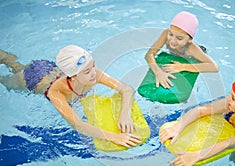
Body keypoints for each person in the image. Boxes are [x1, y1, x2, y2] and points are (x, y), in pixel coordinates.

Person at [0, 46, 141, 148]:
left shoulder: (90, 72)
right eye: (87, 71)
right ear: (73, 77)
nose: (94, 73)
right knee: (6, 79)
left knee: (16, 65)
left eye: (93, 66)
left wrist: (125, 115)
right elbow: (78, 125)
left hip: (48, 68)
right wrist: (115, 137)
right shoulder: (55, 93)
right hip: (32, 79)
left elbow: (127, 90)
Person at [145, 11, 218, 89]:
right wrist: (158, 73)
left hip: (191, 57)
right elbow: (149, 54)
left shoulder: (192, 49)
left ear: (189, 39)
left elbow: (213, 67)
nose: (172, 41)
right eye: (171, 34)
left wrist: (182, 67)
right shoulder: (166, 33)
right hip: (176, 55)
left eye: (179, 38)